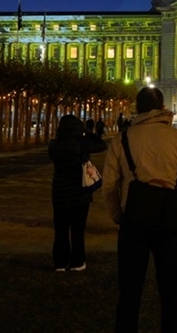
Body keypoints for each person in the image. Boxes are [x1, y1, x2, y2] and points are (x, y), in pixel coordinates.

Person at [103, 87, 177, 333]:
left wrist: (119, 216)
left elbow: (108, 186)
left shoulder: (122, 139)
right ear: (163, 108)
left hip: (133, 218)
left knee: (129, 291)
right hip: (170, 219)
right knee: (170, 291)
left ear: (137, 109)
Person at [49, 114, 107, 271]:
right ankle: (77, 262)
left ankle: (60, 262)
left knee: (60, 230)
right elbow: (102, 145)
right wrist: (87, 131)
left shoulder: (54, 145)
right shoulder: (82, 144)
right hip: (80, 193)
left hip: (60, 193)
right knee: (77, 230)